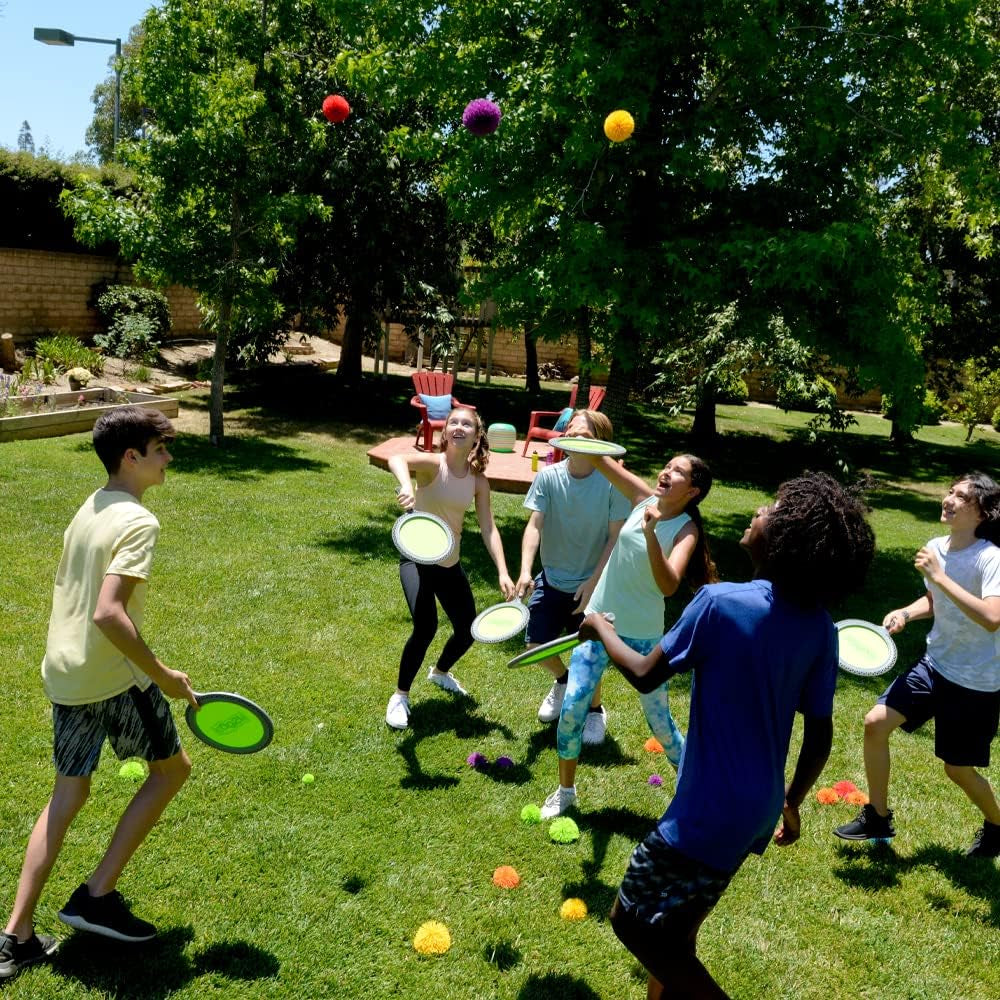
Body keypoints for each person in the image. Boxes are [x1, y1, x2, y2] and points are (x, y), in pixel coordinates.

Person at [581, 472, 874, 1000]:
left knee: (631, 922)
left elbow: (646, 673)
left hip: (707, 809)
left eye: (771, 510)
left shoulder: (719, 603)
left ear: (784, 539)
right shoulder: (820, 628)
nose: (758, 511)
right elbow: (820, 735)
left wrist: (601, 627)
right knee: (675, 936)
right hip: (756, 807)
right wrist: (792, 800)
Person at [1, 407, 198, 983]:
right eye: (160, 448)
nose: (168, 457)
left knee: (68, 792)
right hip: (113, 678)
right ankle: (96, 895)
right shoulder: (138, 522)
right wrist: (162, 675)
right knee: (171, 770)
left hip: (64, 671)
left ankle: (16, 936)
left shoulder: (92, 506)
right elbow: (109, 613)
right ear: (130, 457)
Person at [539, 452, 716, 818]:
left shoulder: (685, 530)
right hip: (598, 625)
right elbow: (604, 463)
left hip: (644, 639)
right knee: (572, 709)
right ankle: (565, 791)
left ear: (693, 491)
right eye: (666, 465)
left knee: (661, 725)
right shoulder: (642, 498)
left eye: (678, 472)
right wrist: (583, 440)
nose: (666, 472)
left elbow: (668, 585)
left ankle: (694, 793)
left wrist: (652, 533)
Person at [834, 472, 1000, 857]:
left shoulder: (991, 558)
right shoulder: (937, 547)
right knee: (876, 722)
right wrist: (907, 613)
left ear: (981, 513)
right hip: (934, 664)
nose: (949, 499)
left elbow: (992, 617)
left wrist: (940, 578)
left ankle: (997, 823)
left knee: (957, 770)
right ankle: (877, 815)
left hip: (975, 681)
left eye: (961, 497)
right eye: (950, 491)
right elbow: (934, 600)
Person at [385, 406, 515, 729]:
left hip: (449, 563)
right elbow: (397, 459)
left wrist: (502, 570)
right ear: (446, 433)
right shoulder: (433, 465)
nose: (459, 427)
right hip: (417, 560)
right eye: (453, 422)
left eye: (466, 424)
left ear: (476, 436)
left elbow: (489, 528)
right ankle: (400, 696)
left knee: (468, 628)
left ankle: (440, 672)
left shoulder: (477, 482)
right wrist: (404, 485)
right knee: (426, 626)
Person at [516, 409, 631, 743]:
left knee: (590, 654)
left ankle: (595, 712)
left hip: (592, 585)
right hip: (552, 578)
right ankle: (563, 680)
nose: (578, 439)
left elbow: (615, 538)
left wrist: (593, 582)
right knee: (536, 643)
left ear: (602, 444)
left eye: (587, 436)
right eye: (573, 432)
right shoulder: (549, 476)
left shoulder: (613, 484)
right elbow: (534, 525)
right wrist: (526, 570)